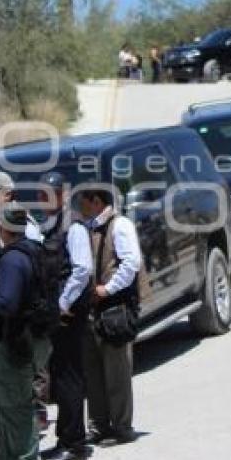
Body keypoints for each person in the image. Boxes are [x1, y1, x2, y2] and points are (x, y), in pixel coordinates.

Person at [0, 202, 50, 460]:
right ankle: (6, 459)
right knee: (7, 407)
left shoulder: (13, 259)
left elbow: (8, 304)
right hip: (27, 340)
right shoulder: (33, 250)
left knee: (16, 407)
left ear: (4, 227)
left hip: (14, 345)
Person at [78, 186, 141, 446]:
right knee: (93, 373)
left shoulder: (120, 225)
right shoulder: (88, 227)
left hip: (115, 308)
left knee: (117, 372)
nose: (80, 207)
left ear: (95, 201)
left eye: (83, 202)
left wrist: (108, 288)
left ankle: (122, 426)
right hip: (93, 310)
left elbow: (131, 263)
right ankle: (99, 426)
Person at [38, 173, 94, 460]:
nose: (42, 199)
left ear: (62, 195)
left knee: (69, 378)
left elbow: (82, 269)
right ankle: (65, 438)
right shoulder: (51, 226)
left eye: (49, 193)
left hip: (70, 313)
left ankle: (75, 444)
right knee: (60, 377)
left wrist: (62, 304)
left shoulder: (73, 227)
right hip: (57, 313)